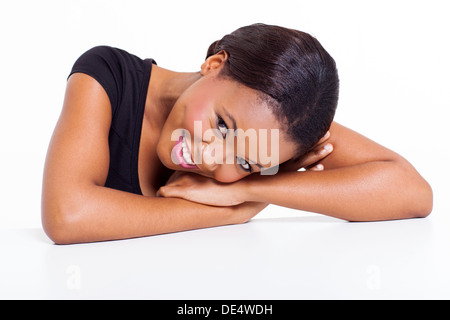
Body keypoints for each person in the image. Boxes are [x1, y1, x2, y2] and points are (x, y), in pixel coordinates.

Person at [41, 23, 432, 244]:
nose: (211, 158)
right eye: (223, 125)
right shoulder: (107, 78)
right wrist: (225, 215)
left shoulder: (276, 135)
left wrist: (250, 189)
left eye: (246, 161)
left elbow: (411, 191)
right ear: (214, 64)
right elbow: (67, 216)